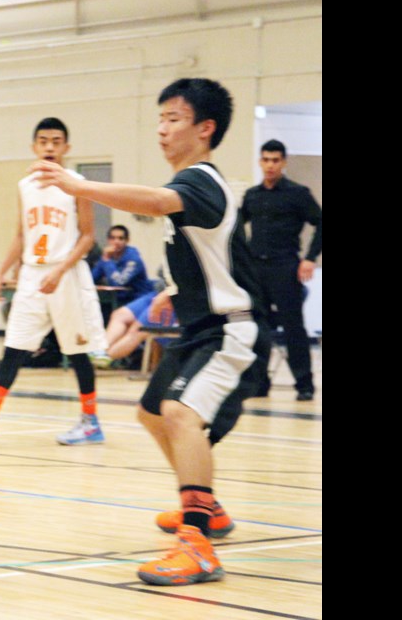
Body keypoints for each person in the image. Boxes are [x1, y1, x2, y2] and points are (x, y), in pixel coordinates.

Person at [30, 78, 270, 586]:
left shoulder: (200, 181)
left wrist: (80, 186)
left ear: (205, 129)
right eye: (160, 119)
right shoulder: (192, 184)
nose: (162, 129)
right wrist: (170, 291)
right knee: (151, 411)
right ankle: (208, 508)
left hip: (234, 330)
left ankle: (198, 545)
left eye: (174, 119)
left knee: (180, 414)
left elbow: (156, 202)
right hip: (201, 328)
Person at [0, 117, 107, 446]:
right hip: (33, 274)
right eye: (43, 141)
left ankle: (91, 421)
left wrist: (61, 269)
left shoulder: (78, 184)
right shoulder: (25, 186)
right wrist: (2, 270)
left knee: (76, 349)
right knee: (15, 345)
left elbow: (89, 238)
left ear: (66, 148)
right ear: (34, 147)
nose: (49, 147)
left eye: (56, 141)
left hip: (66, 273)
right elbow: (21, 234)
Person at [241, 139, 322, 401]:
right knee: (257, 327)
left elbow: (321, 224)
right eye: (266, 160)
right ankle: (259, 383)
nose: (270, 165)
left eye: (275, 160)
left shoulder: (297, 193)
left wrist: (309, 259)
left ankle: (304, 385)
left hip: (285, 267)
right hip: (256, 269)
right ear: (260, 162)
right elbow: (236, 228)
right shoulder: (253, 195)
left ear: (283, 163)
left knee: (293, 327)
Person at [89, 293, 179, 369]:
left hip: (174, 298)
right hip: (158, 292)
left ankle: (105, 357)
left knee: (137, 330)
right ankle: (100, 351)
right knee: (120, 315)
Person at [90, 225, 156, 306]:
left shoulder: (134, 259)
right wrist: (105, 259)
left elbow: (119, 283)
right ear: (108, 240)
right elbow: (91, 279)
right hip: (117, 301)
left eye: (120, 238)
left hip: (139, 300)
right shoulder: (107, 256)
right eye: (112, 238)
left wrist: (107, 261)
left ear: (127, 240)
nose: (116, 241)